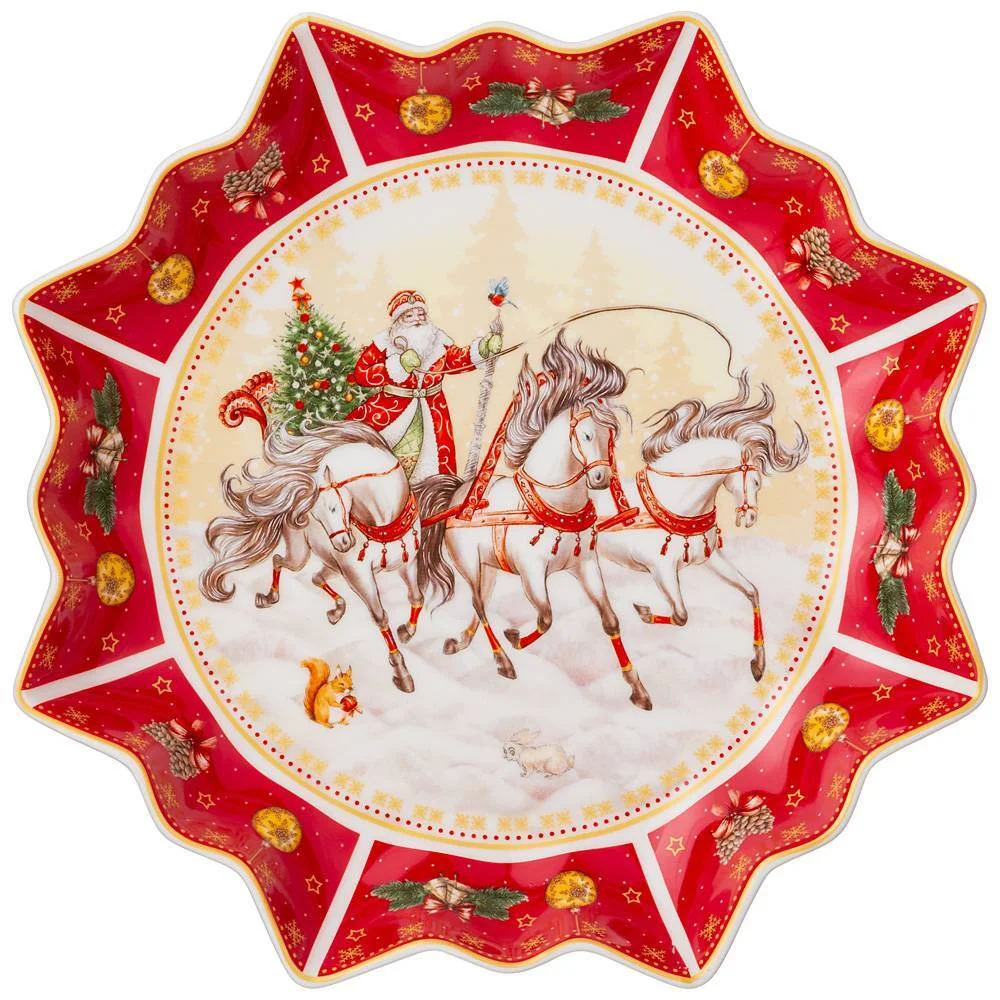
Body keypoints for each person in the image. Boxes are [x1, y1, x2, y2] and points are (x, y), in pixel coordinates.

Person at [347, 290, 503, 480]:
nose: (417, 319)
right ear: (398, 320)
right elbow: (362, 373)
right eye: (409, 316)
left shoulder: (438, 339)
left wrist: (483, 348)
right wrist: (398, 365)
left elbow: (456, 360)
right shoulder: (384, 342)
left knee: (433, 465)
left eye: (421, 314)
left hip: (433, 411)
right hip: (391, 412)